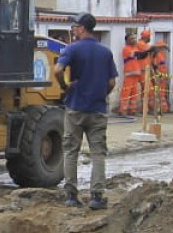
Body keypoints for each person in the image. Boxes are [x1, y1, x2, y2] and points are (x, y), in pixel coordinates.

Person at [54, 12, 117, 210]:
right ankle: (97, 196)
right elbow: (112, 82)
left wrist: (65, 87)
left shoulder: (72, 49)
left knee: (71, 151)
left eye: (74, 26)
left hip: (75, 107)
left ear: (82, 28)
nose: (72, 30)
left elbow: (57, 70)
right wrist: (102, 94)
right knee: (98, 153)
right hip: (97, 109)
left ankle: (71, 196)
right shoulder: (105, 52)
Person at [117, 29, 149, 115]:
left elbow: (142, 56)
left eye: (134, 38)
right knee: (126, 93)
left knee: (134, 93)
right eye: (132, 39)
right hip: (129, 74)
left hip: (136, 74)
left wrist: (148, 51)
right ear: (127, 41)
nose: (134, 40)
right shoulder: (126, 49)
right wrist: (147, 50)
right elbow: (138, 54)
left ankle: (132, 110)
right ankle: (122, 110)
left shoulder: (135, 48)